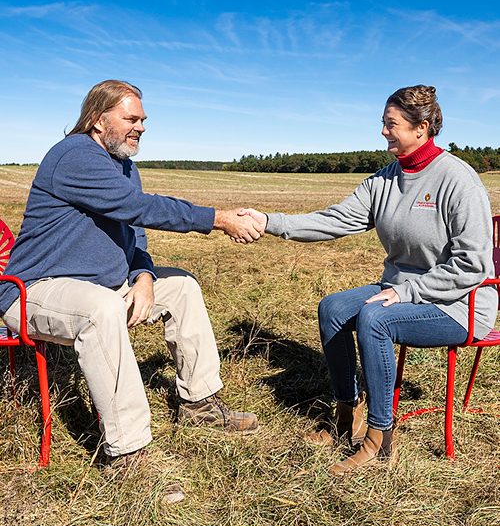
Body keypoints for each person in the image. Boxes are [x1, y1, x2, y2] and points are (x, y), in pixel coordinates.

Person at [0, 80, 264, 498]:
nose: (141, 126)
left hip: (102, 285)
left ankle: (200, 405)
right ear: (98, 118)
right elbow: (140, 207)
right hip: (35, 290)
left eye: (143, 119)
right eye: (131, 118)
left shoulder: (123, 164)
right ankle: (128, 455)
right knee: (101, 309)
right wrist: (218, 218)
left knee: (181, 287)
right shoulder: (74, 156)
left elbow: (134, 230)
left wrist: (144, 275)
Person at [241, 85, 497, 476]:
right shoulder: (385, 179)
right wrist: (270, 222)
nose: (383, 132)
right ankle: (348, 415)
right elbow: (336, 219)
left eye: (391, 124)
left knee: (374, 319)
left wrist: (408, 290)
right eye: (383, 123)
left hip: (460, 304)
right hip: (401, 291)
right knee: (332, 308)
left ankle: (381, 440)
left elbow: (473, 266)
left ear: (421, 128)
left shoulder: (458, 181)